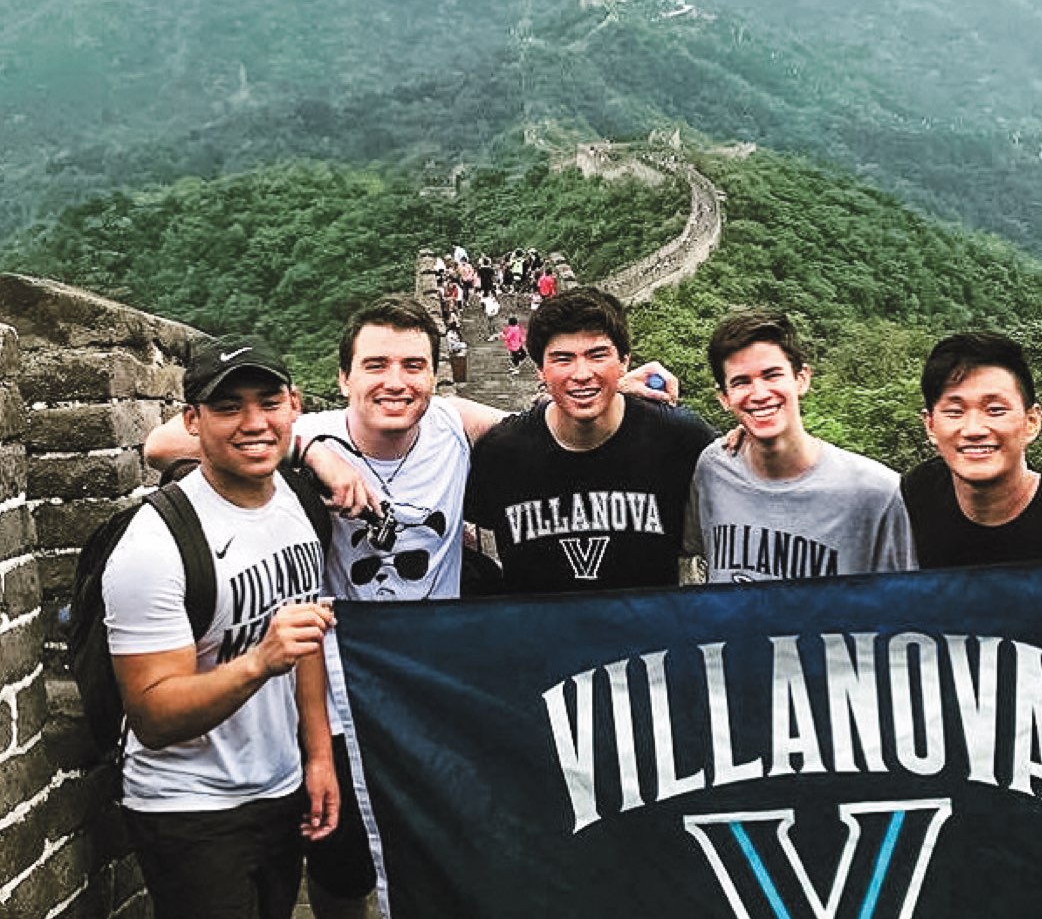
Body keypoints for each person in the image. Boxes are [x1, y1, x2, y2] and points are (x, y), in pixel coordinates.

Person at [143, 296, 680, 916]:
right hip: (338, 690)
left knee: (446, 847)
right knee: (341, 862)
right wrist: (309, 452)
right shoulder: (310, 431)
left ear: (433, 376)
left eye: (412, 366)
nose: (395, 382)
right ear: (344, 378)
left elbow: (543, 418)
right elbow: (161, 444)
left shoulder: (453, 423)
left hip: (434, 684)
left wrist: (612, 387)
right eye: (376, 365)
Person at [103, 334, 338, 919]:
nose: (253, 422)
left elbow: (302, 640)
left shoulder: (297, 499)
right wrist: (259, 660)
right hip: (189, 808)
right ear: (192, 420)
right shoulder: (156, 543)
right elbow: (154, 716)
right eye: (228, 407)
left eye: (268, 401)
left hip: (280, 790)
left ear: (295, 405)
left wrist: (317, 757)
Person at [466, 287, 715, 593]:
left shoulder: (678, 438)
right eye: (563, 359)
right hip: (540, 637)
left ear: (625, 361)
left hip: (649, 636)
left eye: (598, 355)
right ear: (540, 371)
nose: (581, 373)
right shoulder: (503, 452)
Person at [685, 308, 916, 582]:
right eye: (741, 382)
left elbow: (905, 605)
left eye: (771, 375)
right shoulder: (714, 469)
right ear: (724, 398)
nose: (759, 394)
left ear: (802, 378)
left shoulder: (877, 493)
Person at [901, 331, 1042, 567]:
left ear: (1032, 422)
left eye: (995, 410)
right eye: (955, 412)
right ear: (931, 425)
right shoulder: (908, 504)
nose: (973, 430)